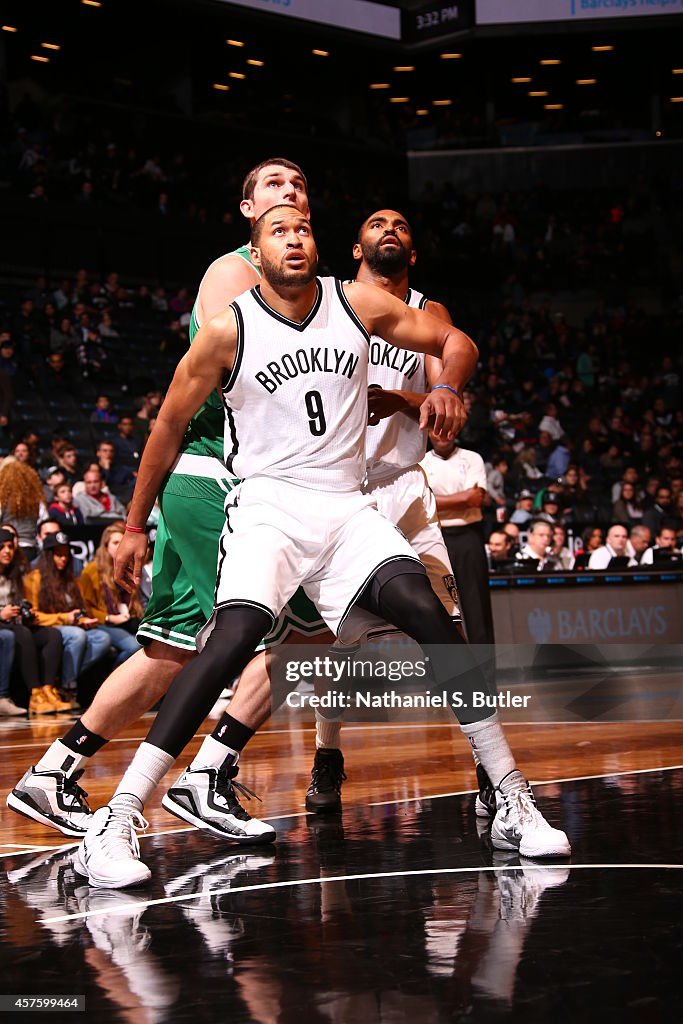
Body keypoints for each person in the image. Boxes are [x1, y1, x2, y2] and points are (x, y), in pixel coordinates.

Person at [73, 206, 569, 888]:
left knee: (428, 614)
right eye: (278, 231)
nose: (293, 237)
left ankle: (512, 797)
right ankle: (120, 814)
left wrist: (448, 384)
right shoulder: (228, 328)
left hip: (346, 507)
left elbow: (456, 340)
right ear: (257, 249)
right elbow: (165, 425)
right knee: (233, 636)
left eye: (302, 228)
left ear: (318, 245)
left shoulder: (355, 300)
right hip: (269, 506)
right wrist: (132, 524)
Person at [6, 158, 331, 839]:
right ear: (247, 210)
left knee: (169, 650)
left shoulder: (306, 290)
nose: (289, 192)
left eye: (297, 185)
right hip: (220, 476)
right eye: (272, 185)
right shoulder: (234, 271)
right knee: (307, 631)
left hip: (212, 479)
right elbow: (235, 377)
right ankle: (208, 775)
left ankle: (51, 773)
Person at [305, 208, 490, 816]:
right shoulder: (326, 304)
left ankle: (490, 768)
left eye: (403, 225)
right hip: (338, 491)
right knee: (334, 644)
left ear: (411, 252)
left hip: (404, 489)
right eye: (377, 222)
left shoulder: (429, 313)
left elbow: (445, 404)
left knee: (451, 630)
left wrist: (408, 398)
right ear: (356, 246)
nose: (390, 228)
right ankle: (327, 755)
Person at [421, 433, 496, 647]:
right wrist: (462, 498)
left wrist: (436, 500)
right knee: (438, 606)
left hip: (468, 535)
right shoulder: (421, 462)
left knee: (477, 608)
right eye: (435, 429)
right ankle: (451, 672)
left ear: (454, 431)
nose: (441, 435)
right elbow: (423, 502)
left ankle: (486, 678)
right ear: (428, 434)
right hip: (436, 536)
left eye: (445, 428)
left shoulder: (472, 458)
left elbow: (476, 499)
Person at [23, 532, 112, 700]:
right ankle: (69, 686)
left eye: (65, 554)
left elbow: (79, 610)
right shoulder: (34, 579)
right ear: (48, 556)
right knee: (77, 635)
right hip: (48, 628)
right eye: (58, 554)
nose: (63, 558)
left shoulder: (72, 580)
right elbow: (32, 616)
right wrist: (64, 618)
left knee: (102, 638)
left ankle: (66, 675)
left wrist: (83, 620)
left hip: (72, 626)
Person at [0, 528, 65, 715]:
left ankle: (48, 690)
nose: (7, 551)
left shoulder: (16, 575)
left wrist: (24, 612)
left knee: (52, 634)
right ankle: (33, 695)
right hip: (6, 627)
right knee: (19, 634)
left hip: (15, 625)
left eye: (10, 547)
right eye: (2, 547)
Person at [78, 523, 144, 665]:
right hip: (103, 623)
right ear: (106, 546)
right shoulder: (91, 571)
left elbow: (136, 602)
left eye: (122, 542)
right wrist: (109, 617)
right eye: (115, 543)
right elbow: (86, 607)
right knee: (134, 647)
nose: (120, 547)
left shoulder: (129, 568)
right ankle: (111, 679)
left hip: (127, 622)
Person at [0, 459, 47, 562]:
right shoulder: (36, 500)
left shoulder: (2, 500)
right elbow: (44, 522)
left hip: (9, 548)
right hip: (31, 548)